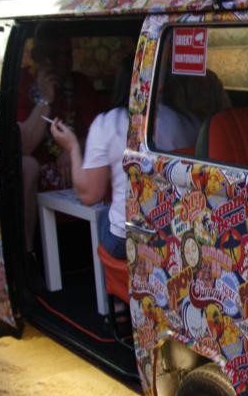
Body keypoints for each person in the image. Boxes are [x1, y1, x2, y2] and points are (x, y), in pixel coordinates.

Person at [49, 66, 199, 259]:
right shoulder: (189, 121)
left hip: (131, 239)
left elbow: (89, 195)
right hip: (180, 231)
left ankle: (106, 279)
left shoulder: (107, 123)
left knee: (105, 216)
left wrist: (72, 148)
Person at [18, 32, 76, 252]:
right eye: (54, 55)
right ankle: (29, 254)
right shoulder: (21, 84)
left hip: (75, 166)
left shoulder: (80, 83)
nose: (63, 61)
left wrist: (73, 148)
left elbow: (98, 129)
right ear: (38, 58)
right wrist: (45, 99)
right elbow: (25, 147)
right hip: (40, 168)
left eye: (67, 54)